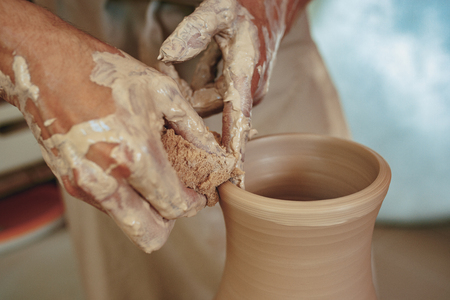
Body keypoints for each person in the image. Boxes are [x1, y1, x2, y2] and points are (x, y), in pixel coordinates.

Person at [0, 0, 350, 299]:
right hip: (78, 44)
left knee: (314, 260)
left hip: (249, 41)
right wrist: (31, 47)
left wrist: (267, 9)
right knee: (141, 274)